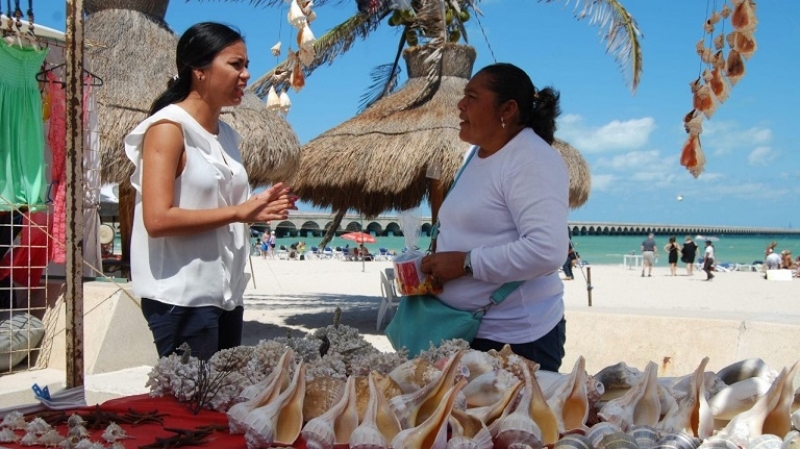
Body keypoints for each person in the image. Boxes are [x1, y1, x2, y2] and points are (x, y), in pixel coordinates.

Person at [124, 22, 296, 360]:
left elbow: (223, 209)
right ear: (198, 70)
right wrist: (238, 212)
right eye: (235, 64)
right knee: (193, 405)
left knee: (223, 399)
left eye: (246, 65)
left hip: (226, 293)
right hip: (181, 296)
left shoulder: (228, 137)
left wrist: (258, 208)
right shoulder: (168, 129)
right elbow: (157, 219)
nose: (246, 74)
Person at [419, 63, 568, 372]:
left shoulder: (531, 159)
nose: (460, 104)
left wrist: (464, 263)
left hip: (514, 341)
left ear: (508, 109)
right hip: (463, 331)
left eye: (472, 96)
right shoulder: (474, 154)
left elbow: (547, 251)